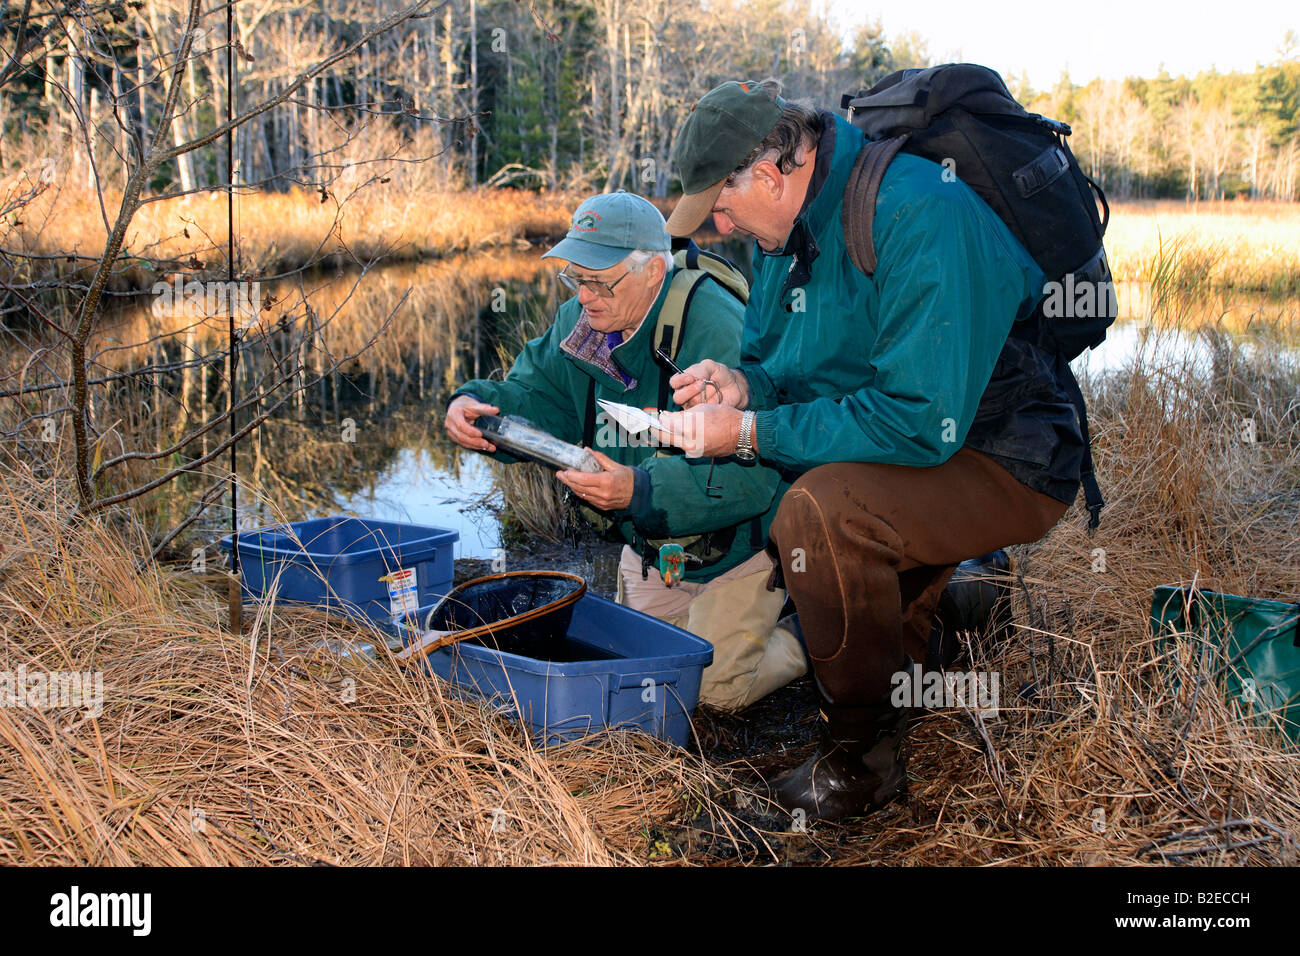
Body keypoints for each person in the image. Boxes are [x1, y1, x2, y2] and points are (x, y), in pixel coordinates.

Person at [658, 80, 1083, 820]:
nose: (716, 229)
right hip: (914, 448)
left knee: (821, 512)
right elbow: (781, 368)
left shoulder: (922, 211)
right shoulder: (779, 239)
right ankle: (966, 605)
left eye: (720, 209)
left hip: (1006, 453)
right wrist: (741, 387)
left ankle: (860, 768)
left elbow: (919, 421)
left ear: (768, 173)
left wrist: (752, 434)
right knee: (883, 624)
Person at [444, 191, 806, 711]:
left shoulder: (714, 324)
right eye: (575, 277)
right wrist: (478, 405)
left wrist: (638, 491)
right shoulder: (585, 320)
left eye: (599, 280)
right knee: (641, 683)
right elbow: (536, 395)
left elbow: (753, 475)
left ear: (654, 272)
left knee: (713, 692)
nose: (584, 296)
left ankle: (811, 634)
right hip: (655, 547)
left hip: (738, 550)